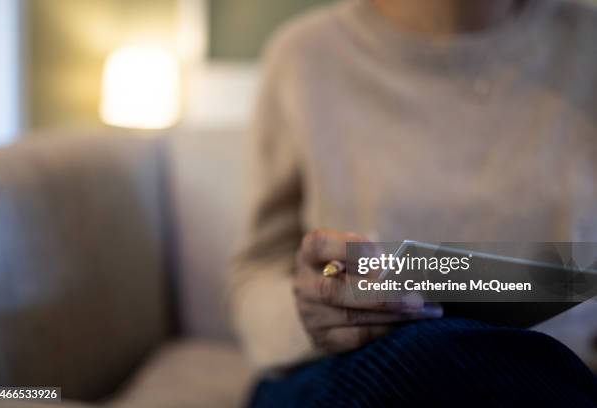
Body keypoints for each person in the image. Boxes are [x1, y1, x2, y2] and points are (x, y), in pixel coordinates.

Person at [230, 0, 597, 405]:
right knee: (423, 357)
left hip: (561, 377)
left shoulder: (587, 45)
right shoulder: (304, 57)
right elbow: (256, 273)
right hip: (355, 372)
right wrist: (307, 312)